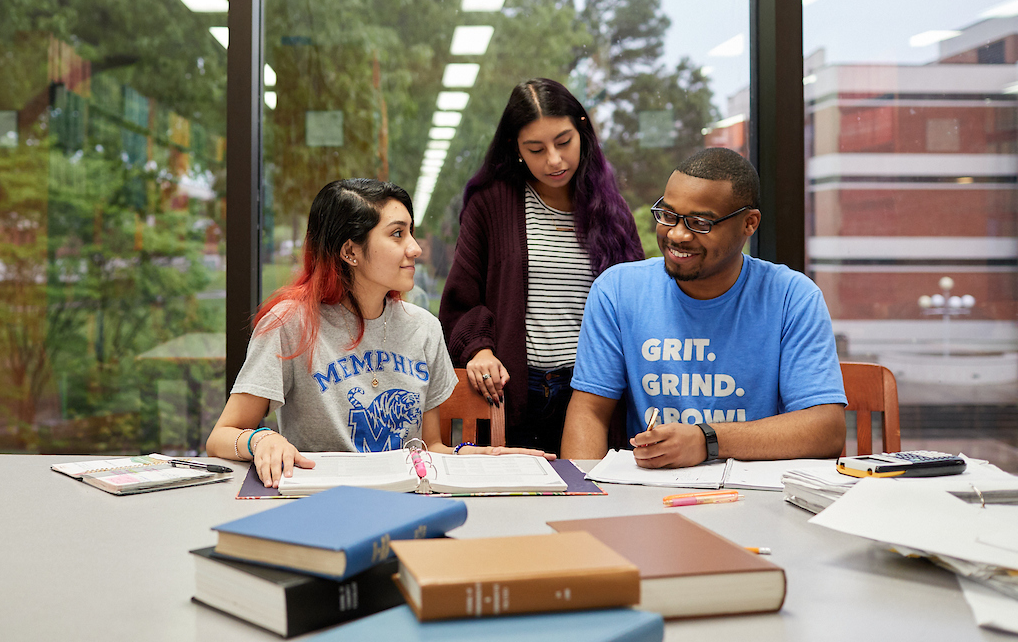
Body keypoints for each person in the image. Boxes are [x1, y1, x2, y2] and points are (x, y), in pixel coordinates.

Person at [206, 178, 553, 487]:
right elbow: (221, 436)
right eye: (398, 234)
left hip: (406, 503)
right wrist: (261, 440)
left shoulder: (424, 328)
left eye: (411, 233)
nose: (415, 248)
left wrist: (469, 457)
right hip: (320, 500)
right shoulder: (289, 323)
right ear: (350, 252)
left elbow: (429, 447)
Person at [561, 147, 847, 467]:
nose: (678, 234)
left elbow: (827, 429)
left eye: (699, 222)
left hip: (755, 494)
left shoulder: (792, 297)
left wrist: (706, 440)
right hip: (648, 492)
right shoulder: (617, 291)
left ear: (749, 224)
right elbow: (589, 412)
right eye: (668, 216)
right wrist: (582, 495)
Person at [439, 78, 643, 455]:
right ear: (516, 150)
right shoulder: (491, 204)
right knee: (513, 503)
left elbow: (636, 303)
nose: (553, 159)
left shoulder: (611, 213)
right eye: (535, 149)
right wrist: (479, 350)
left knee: (586, 497)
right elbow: (459, 300)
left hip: (592, 392)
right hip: (514, 391)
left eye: (564, 142)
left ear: (583, 131)